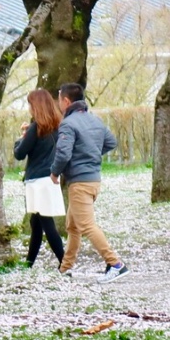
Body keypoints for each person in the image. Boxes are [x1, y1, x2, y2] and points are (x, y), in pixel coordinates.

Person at [49, 82, 126, 280]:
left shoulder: (68, 124)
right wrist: (91, 155)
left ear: (66, 101)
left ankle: (115, 264)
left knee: (87, 226)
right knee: (73, 227)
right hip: (93, 180)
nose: (58, 104)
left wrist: (55, 172)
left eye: (59, 100)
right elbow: (111, 142)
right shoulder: (95, 120)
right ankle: (65, 269)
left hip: (80, 182)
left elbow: (64, 152)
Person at [13, 88, 68, 267]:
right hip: (50, 177)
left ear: (36, 106)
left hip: (37, 180)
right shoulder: (57, 126)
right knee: (36, 222)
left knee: (46, 223)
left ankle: (65, 263)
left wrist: (20, 139)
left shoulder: (37, 127)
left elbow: (20, 153)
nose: (29, 108)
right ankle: (29, 263)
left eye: (30, 104)